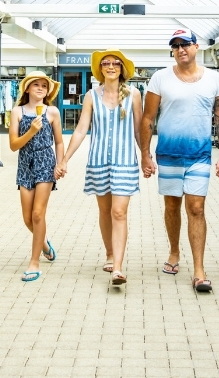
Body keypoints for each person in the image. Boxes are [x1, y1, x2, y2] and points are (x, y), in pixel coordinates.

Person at [139, 29, 219, 293]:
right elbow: (147, 119)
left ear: (196, 47)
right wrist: (145, 154)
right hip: (168, 154)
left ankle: (199, 271)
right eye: (175, 46)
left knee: (196, 208)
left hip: (199, 155)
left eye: (185, 44)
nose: (181, 50)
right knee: (171, 206)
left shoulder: (214, 79)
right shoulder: (159, 78)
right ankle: (175, 251)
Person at [57, 49, 143, 285]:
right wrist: (64, 160)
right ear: (100, 68)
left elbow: (138, 130)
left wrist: (146, 156)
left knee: (119, 212)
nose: (111, 66)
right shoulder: (91, 96)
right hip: (98, 162)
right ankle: (109, 253)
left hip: (125, 162)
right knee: (105, 212)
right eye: (106, 63)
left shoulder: (134, 94)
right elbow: (81, 129)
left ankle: (118, 268)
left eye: (116, 63)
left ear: (122, 68)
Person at [9, 71, 65, 282]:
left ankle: (34, 262)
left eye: (44, 85)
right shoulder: (17, 112)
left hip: (45, 163)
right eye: (36, 85)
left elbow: (59, 142)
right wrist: (31, 131)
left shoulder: (52, 112)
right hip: (25, 164)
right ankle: (43, 243)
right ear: (27, 89)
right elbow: (13, 146)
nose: (41, 88)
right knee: (27, 218)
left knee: (38, 214)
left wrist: (60, 163)